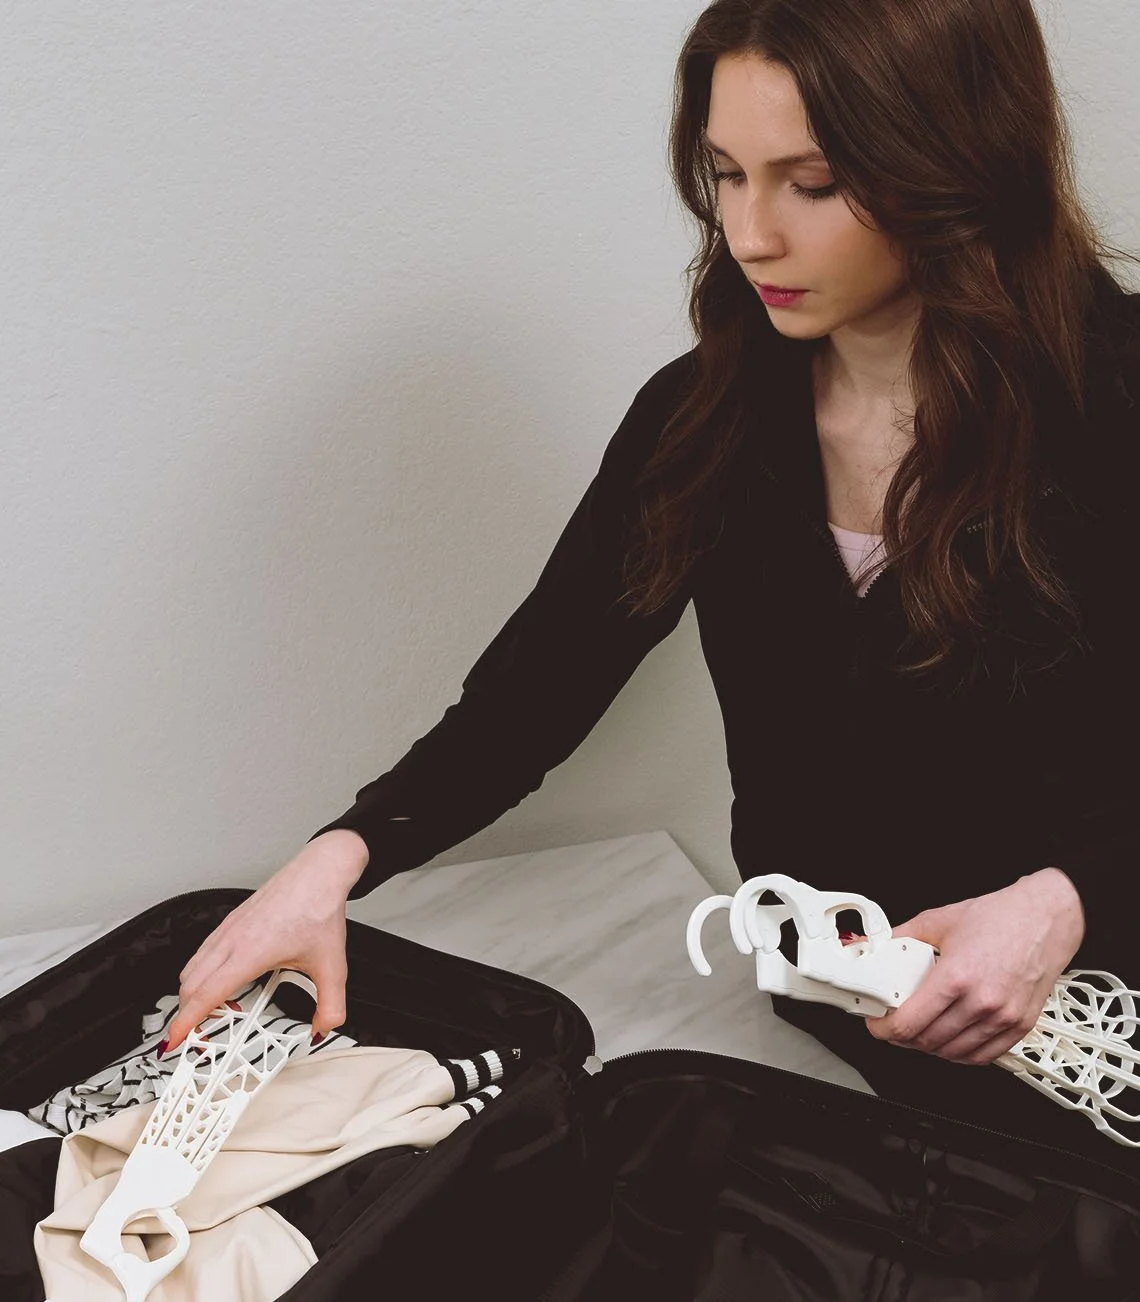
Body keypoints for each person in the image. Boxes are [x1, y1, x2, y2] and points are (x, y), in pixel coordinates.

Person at [164, 0, 1140, 1172]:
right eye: (727, 175)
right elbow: (536, 692)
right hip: (837, 1017)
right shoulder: (706, 416)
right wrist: (334, 864)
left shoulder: (1115, 400)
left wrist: (1065, 899)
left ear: (957, 167)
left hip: (1099, 1042)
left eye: (813, 183)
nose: (751, 235)